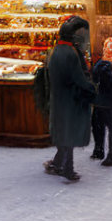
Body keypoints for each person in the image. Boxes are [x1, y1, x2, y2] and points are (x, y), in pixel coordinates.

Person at [44, 16, 96, 182]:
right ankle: (67, 169)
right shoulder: (70, 54)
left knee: (64, 132)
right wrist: (92, 88)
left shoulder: (55, 51)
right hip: (70, 100)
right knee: (70, 133)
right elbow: (78, 79)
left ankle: (58, 163)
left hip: (59, 97)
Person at [90, 37, 112, 167]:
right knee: (110, 128)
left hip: (103, 102)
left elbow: (96, 79)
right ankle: (111, 152)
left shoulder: (102, 64)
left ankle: (109, 153)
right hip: (107, 102)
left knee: (102, 127)